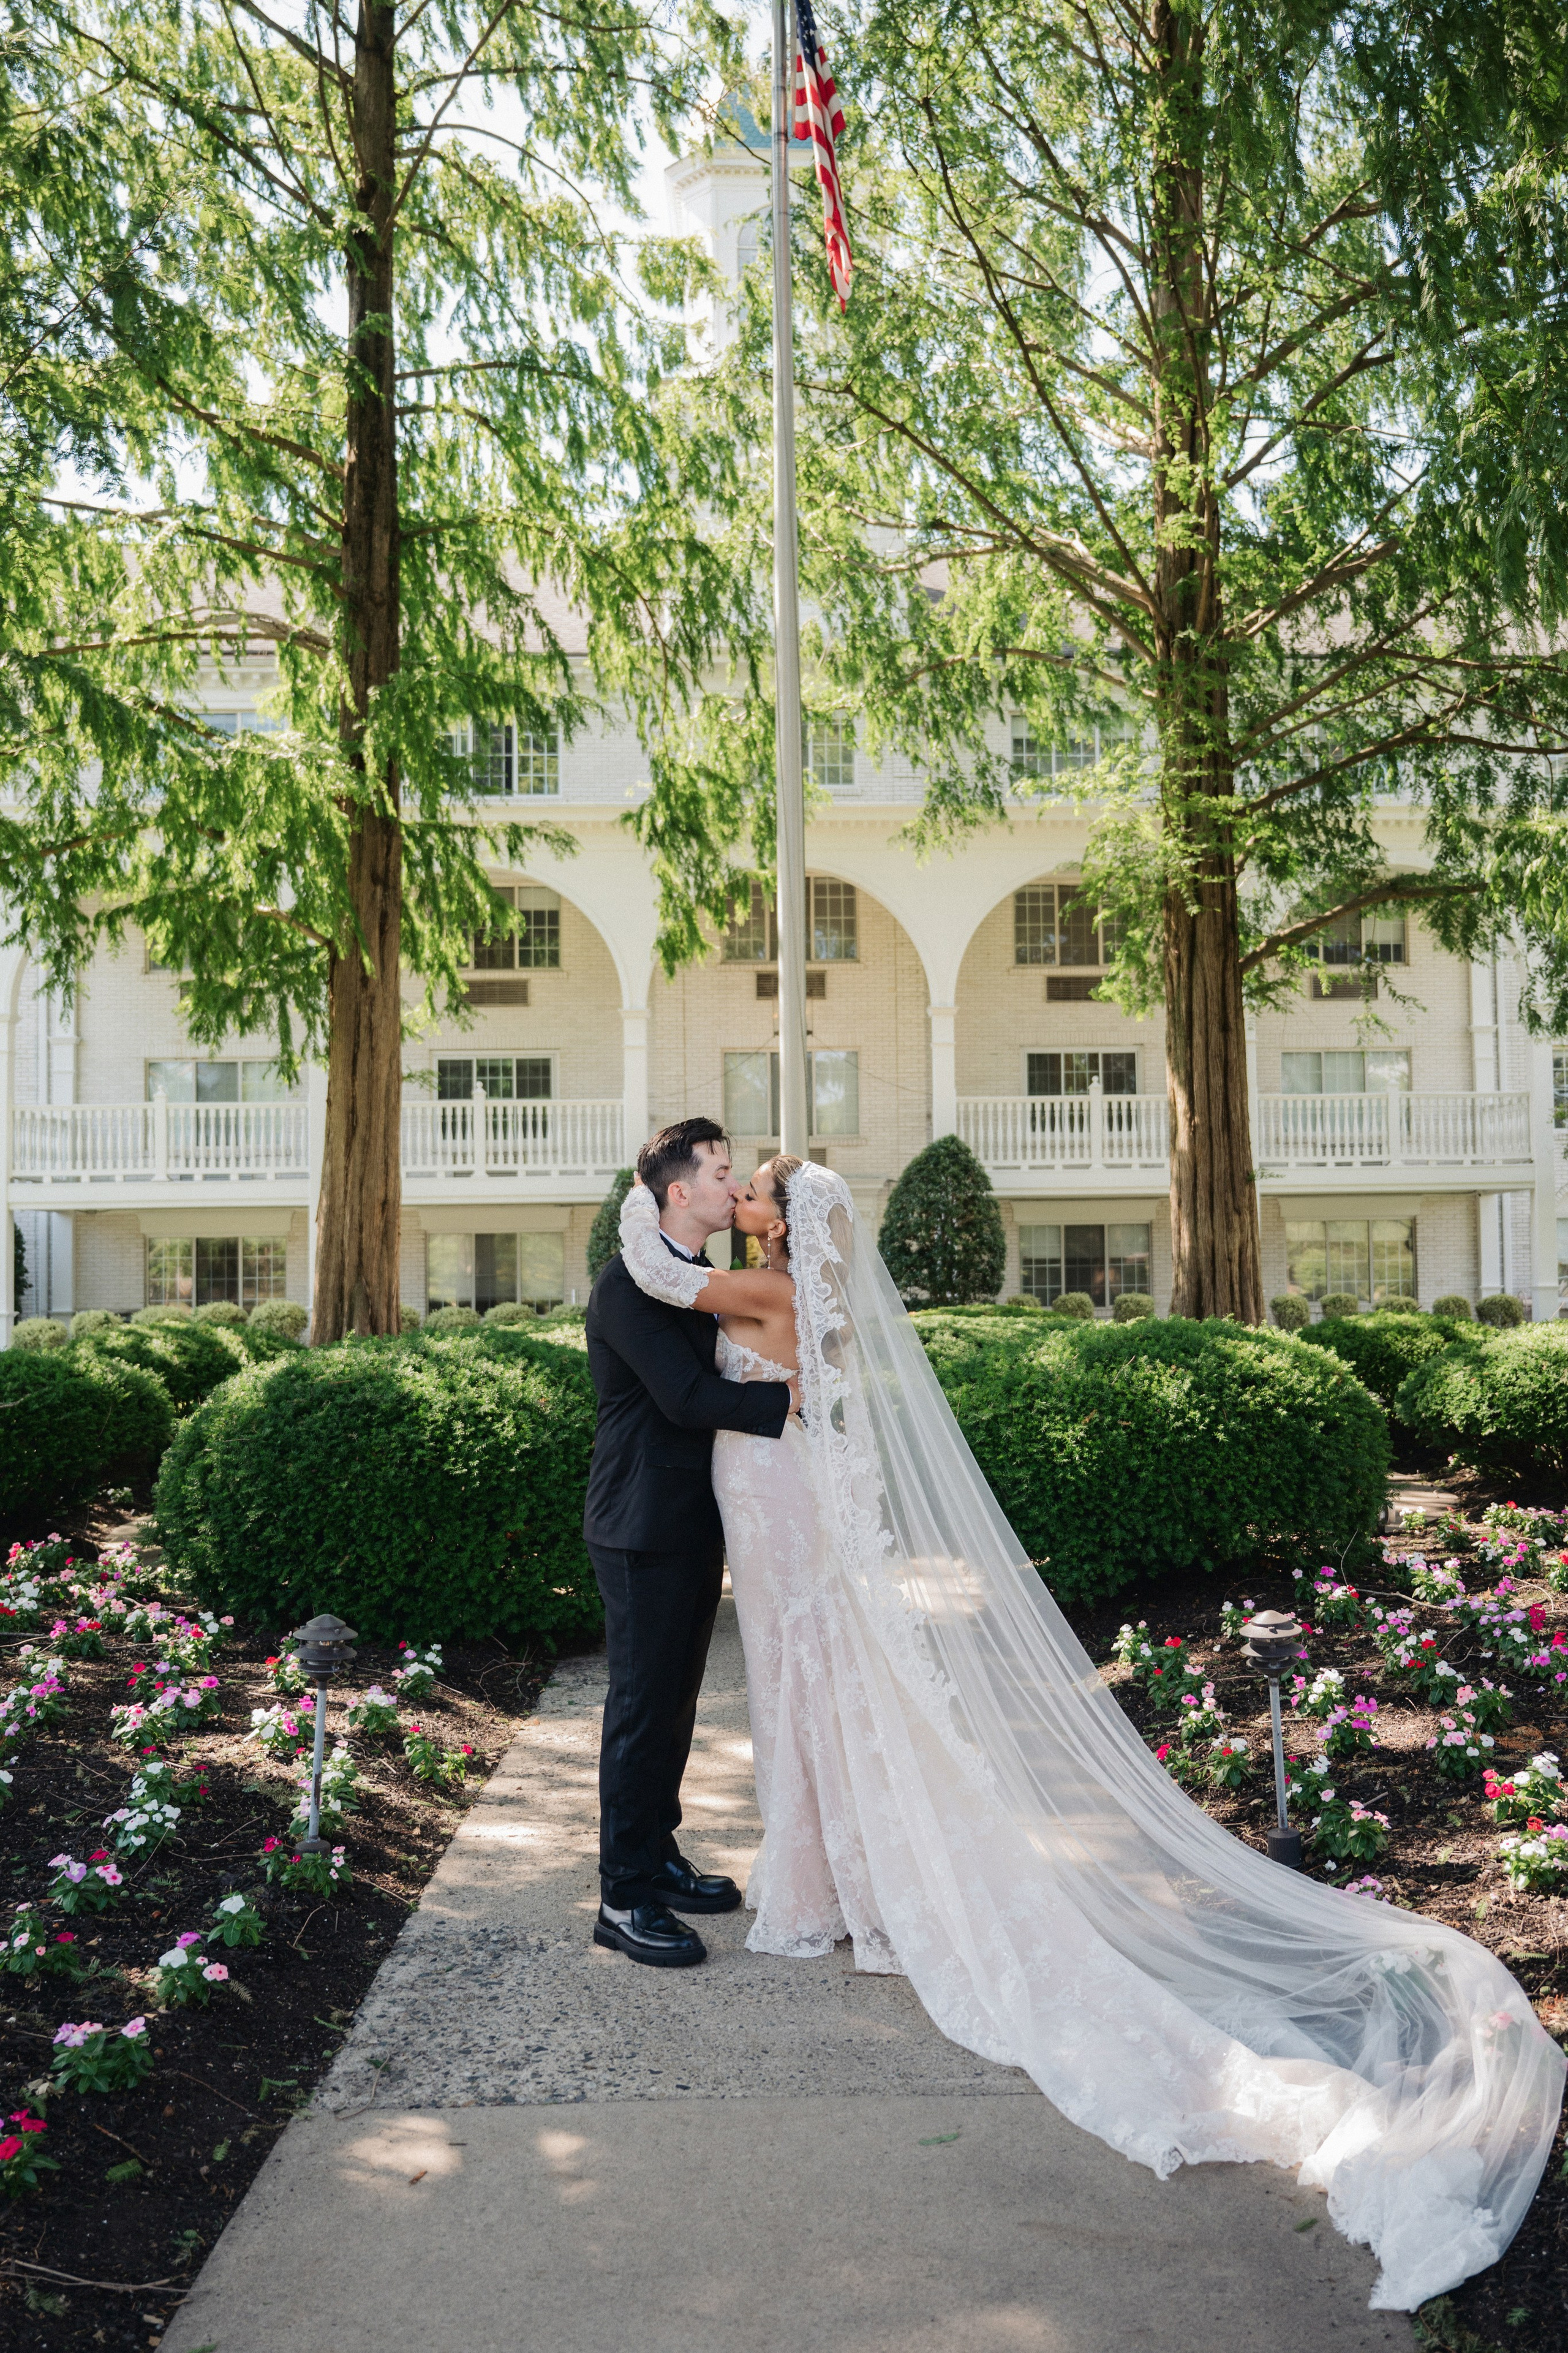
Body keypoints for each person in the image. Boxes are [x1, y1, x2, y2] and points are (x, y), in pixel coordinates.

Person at [614, 1155, 1566, 2313]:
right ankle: (827, 1867)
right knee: (808, 1684)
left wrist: (638, 1202)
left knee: (801, 1681)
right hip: (774, 1494)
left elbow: (657, 1276)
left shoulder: (759, 1292)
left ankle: (828, 1878)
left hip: (773, 1497)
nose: (741, 1193)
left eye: (755, 1186)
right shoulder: (803, 1285)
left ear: (786, 1222)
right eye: (733, 1180)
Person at [581, 1117, 795, 1969]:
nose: (730, 1185)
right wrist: (789, 1406)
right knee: (640, 1711)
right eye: (718, 1172)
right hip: (638, 1524)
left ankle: (659, 1856)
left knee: (674, 1704)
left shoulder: (694, 1277)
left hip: (694, 1519)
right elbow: (680, 1397)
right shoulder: (628, 1287)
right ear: (680, 1191)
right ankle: (623, 1897)